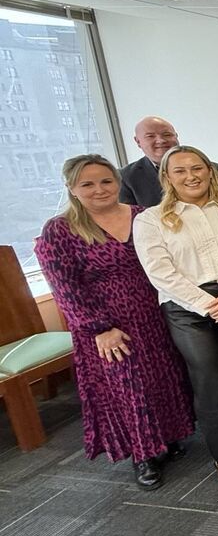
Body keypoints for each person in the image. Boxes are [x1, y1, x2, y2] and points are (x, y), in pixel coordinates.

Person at [35, 155, 193, 490]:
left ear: (117, 182)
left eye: (106, 181)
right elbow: (64, 288)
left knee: (163, 377)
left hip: (154, 313)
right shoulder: (59, 231)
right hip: (106, 325)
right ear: (72, 189)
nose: (99, 189)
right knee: (128, 387)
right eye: (87, 184)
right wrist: (98, 329)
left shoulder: (142, 217)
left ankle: (169, 436)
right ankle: (143, 455)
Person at [134, 146, 218, 491]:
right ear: (167, 177)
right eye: (180, 171)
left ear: (210, 170)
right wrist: (209, 304)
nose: (191, 176)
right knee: (211, 378)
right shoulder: (150, 219)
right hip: (186, 306)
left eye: (197, 168)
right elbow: (161, 274)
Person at [119, 115, 180, 206]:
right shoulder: (125, 177)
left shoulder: (204, 167)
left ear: (176, 136)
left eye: (167, 134)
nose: (161, 141)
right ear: (138, 142)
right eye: (150, 136)